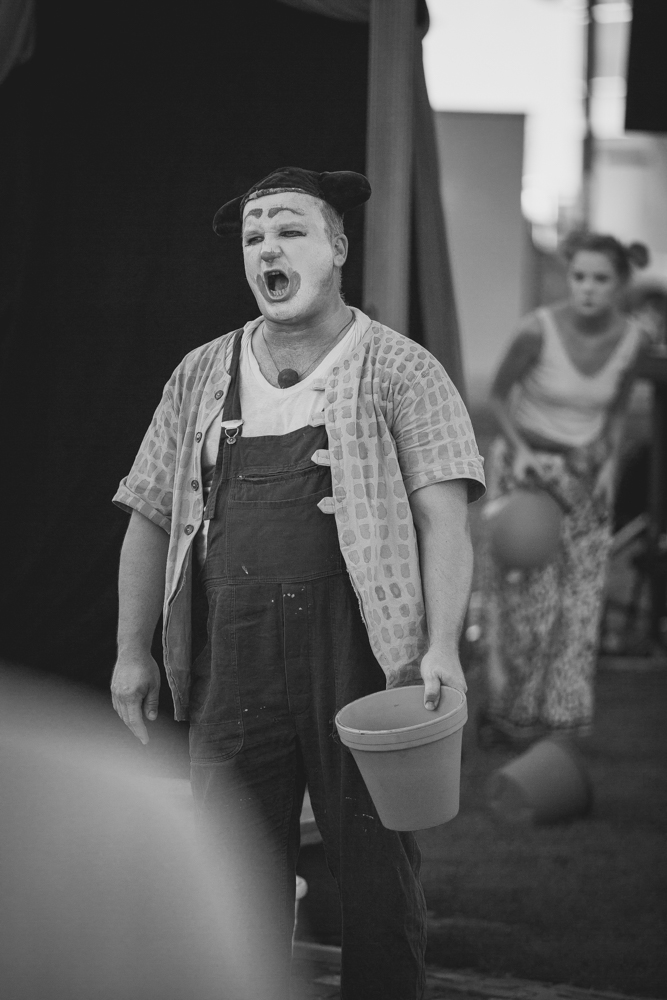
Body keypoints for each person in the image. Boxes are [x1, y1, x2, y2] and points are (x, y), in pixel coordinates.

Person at [110, 166, 485, 1000]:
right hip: (234, 661)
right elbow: (149, 514)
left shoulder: (399, 368)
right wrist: (133, 652)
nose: (267, 249)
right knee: (230, 874)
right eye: (254, 237)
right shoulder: (201, 374)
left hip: (360, 658)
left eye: (289, 230)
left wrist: (440, 648)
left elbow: (445, 521)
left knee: (375, 874)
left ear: (337, 247)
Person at [479, 231, 649, 747]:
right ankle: (511, 717)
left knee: (581, 602)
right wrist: (520, 450)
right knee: (530, 604)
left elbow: (616, 408)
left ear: (620, 284)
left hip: (587, 473)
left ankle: (563, 722)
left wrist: (611, 461)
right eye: (579, 277)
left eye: (601, 279)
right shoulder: (537, 330)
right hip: (528, 470)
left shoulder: (634, 339)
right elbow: (496, 397)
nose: (587, 288)